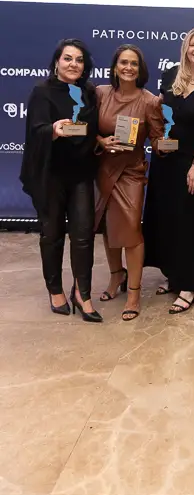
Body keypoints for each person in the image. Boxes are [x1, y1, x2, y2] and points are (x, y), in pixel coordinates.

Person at [143, 27, 194, 314]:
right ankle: (173, 275)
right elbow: (158, 112)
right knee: (166, 218)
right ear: (185, 48)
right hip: (165, 158)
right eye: (193, 44)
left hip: (189, 161)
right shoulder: (171, 75)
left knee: (187, 222)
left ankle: (189, 284)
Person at [20, 38, 102, 322]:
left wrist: (101, 140)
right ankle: (55, 290)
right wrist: (53, 130)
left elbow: (90, 129)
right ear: (57, 61)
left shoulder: (89, 92)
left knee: (83, 235)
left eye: (79, 60)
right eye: (68, 58)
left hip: (81, 173)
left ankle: (83, 293)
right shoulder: (42, 92)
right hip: (50, 174)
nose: (73, 64)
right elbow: (35, 131)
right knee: (52, 234)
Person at [95, 44, 164, 321]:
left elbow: (158, 140)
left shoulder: (149, 101)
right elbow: (87, 129)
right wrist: (101, 141)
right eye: (123, 62)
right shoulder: (100, 94)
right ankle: (116, 276)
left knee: (132, 231)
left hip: (131, 172)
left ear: (140, 69)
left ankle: (134, 293)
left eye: (134, 63)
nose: (128, 67)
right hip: (102, 168)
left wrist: (172, 144)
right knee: (107, 226)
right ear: (115, 67)